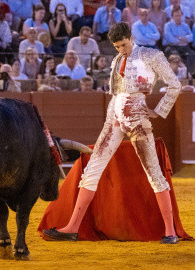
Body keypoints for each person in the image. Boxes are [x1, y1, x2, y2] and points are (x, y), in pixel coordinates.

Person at [43, 22, 181, 244]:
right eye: (117, 47)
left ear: (131, 37)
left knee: (154, 174)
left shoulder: (151, 55)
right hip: (114, 116)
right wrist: (112, 116)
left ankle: (170, 232)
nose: (121, 50)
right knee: (92, 169)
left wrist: (157, 111)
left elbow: (175, 85)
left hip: (137, 118)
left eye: (123, 45)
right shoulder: (117, 60)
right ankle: (72, 227)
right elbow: (117, 94)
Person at [163, 7, 195, 76]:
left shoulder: (185, 25)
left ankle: (188, 75)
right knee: (175, 55)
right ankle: (176, 76)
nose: (178, 17)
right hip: (171, 46)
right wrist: (183, 39)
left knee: (192, 54)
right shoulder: (167, 26)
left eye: (179, 15)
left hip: (183, 47)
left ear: (182, 16)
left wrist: (180, 38)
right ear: (172, 17)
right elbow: (171, 39)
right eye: (176, 16)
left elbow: (191, 37)